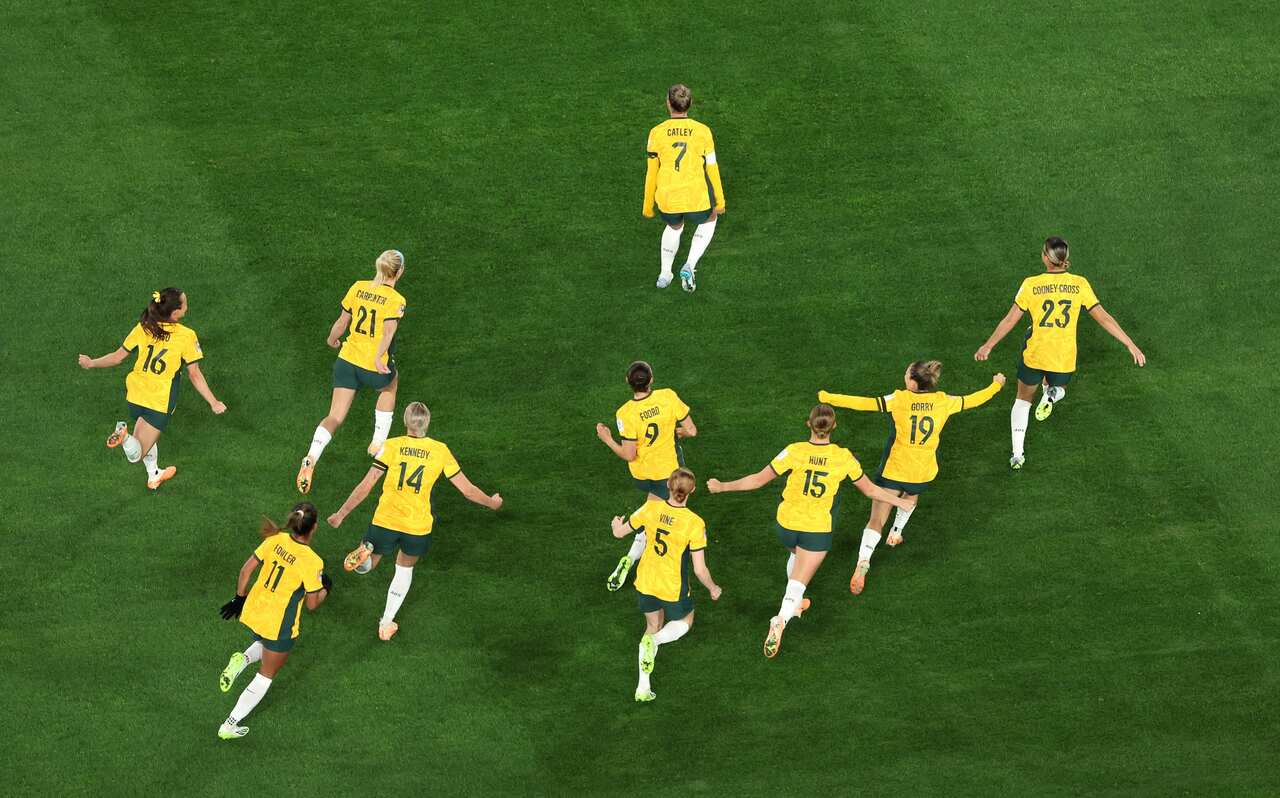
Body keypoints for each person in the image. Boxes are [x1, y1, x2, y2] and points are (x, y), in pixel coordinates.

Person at [707, 405, 912, 657]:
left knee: (797, 560)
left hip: (785, 526)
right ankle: (780, 619)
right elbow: (870, 491)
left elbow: (758, 480)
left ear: (809, 424)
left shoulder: (794, 451)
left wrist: (722, 486)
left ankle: (795, 606)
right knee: (798, 583)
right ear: (833, 426)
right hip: (815, 530)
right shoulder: (843, 457)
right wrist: (901, 502)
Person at [819, 362, 1005, 595]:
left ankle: (863, 561)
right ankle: (895, 534)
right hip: (922, 471)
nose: (904, 375)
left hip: (894, 469)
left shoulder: (899, 399)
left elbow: (863, 403)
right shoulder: (944, 401)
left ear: (913, 383)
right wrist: (996, 386)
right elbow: (974, 399)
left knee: (876, 518)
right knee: (911, 497)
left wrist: (829, 397)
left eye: (907, 373)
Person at [328, 402, 502, 640]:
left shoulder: (392, 446)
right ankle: (386, 623)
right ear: (426, 423)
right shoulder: (440, 450)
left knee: (370, 565)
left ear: (405, 422)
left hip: (386, 520)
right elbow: (468, 490)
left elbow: (366, 485)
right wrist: (492, 503)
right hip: (417, 526)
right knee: (404, 569)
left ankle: (364, 558)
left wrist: (341, 514)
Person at [975, 237, 1146, 469]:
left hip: (1036, 353)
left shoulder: (1031, 284)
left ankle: (1017, 454)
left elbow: (1010, 320)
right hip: (1063, 357)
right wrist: (1130, 344)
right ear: (1064, 258)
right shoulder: (1080, 284)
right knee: (1059, 387)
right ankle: (1052, 395)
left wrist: (988, 345)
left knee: (1023, 400)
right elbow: (1104, 317)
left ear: (1046, 257)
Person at [77, 288, 227, 490]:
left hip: (135, 395)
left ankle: (154, 474)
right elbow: (194, 374)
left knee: (147, 434)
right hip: (158, 402)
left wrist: (92, 363)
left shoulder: (144, 327)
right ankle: (124, 437)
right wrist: (214, 402)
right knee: (136, 454)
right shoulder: (186, 335)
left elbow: (117, 356)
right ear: (175, 313)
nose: (187, 306)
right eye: (185, 304)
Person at [216, 502, 331, 740]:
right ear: (314, 528)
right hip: (279, 622)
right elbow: (312, 604)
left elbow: (246, 570)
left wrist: (239, 599)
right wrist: (326, 588)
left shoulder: (275, 539)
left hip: (256, 610)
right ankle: (230, 724)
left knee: (264, 645)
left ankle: (243, 659)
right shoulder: (312, 561)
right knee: (266, 674)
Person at [297, 249, 407, 494]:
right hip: (373, 366)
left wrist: (331, 339)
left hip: (346, 361)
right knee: (390, 386)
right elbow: (388, 333)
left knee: (334, 416)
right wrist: (380, 358)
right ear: (399, 272)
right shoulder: (396, 300)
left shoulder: (358, 287)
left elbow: (341, 322)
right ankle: (377, 441)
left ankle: (312, 456)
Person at [610, 468, 720, 702]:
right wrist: (713, 588)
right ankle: (656, 641)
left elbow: (620, 533)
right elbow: (700, 569)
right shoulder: (694, 523)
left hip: (646, 581)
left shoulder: (650, 508)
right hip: (672, 586)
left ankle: (642, 688)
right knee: (685, 620)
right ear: (692, 491)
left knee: (652, 624)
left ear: (668, 487)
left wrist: (615, 525)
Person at [595, 361, 697, 592]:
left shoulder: (625, 412)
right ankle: (637, 558)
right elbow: (691, 430)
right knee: (659, 518)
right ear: (651, 379)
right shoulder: (668, 397)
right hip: (669, 474)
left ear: (628, 383)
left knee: (654, 508)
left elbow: (629, 454)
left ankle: (630, 557)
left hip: (642, 476)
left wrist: (608, 439)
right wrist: (675, 430)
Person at [642, 83, 726, 292]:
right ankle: (689, 264)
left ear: (668, 104)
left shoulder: (656, 133)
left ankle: (665, 273)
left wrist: (648, 205)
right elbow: (712, 168)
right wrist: (720, 201)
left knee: (674, 227)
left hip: (668, 197)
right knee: (711, 218)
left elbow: (651, 172)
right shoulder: (703, 131)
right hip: (695, 196)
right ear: (690, 104)